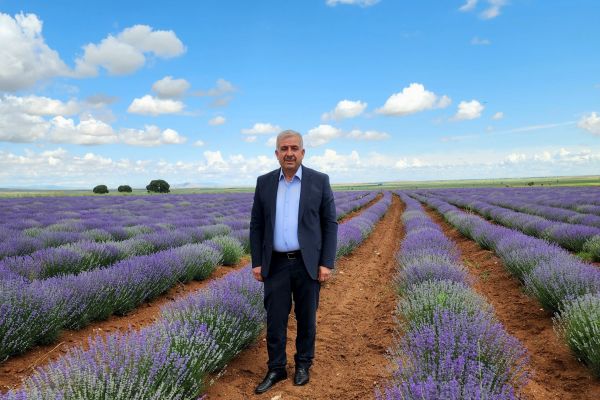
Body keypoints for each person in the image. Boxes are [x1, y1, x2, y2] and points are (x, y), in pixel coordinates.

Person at [250, 129, 338, 394]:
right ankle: (276, 368)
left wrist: (326, 262)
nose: (289, 153)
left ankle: (303, 364)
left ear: (302, 152)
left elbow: (329, 223)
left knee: (306, 317)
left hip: (306, 262)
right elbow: (256, 224)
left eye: (294, 148)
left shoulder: (319, 181)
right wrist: (257, 261)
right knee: (275, 319)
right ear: (277, 153)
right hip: (275, 263)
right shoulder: (264, 182)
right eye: (284, 149)